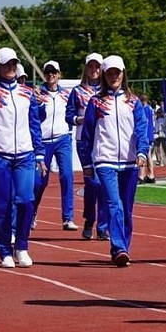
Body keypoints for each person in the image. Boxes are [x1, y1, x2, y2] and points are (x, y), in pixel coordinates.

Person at [0, 47, 45, 268]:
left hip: (25, 155)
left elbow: (34, 124)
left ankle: (22, 246)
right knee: (2, 205)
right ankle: (4, 250)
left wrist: (40, 152)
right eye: (7, 64)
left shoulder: (26, 93)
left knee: (26, 200)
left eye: (14, 63)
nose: (11, 67)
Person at [83, 55, 151, 266]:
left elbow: (142, 130)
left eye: (117, 72)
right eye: (110, 72)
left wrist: (141, 152)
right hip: (105, 161)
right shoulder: (96, 102)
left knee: (127, 209)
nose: (114, 76)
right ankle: (120, 247)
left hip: (130, 162)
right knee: (114, 205)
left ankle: (122, 248)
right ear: (104, 74)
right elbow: (87, 134)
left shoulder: (133, 102)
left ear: (123, 74)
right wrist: (87, 163)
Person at [66, 53, 106, 240]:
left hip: (106, 141)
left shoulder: (108, 91)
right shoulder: (78, 91)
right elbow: (69, 116)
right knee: (93, 183)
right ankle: (90, 219)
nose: (94, 70)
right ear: (86, 68)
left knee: (106, 183)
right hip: (84, 141)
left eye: (97, 67)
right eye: (91, 66)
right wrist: (80, 119)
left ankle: (103, 226)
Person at [34, 60, 77, 231]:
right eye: (47, 72)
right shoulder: (37, 93)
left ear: (59, 74)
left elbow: (72, 113)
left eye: (54, 72)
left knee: (67, 176)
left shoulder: (67, 94)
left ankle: (68, 217)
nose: (51, 75)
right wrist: (38, 104)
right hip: (43, 141)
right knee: (39, 182)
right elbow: (34, 117)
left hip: (62, 139)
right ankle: (32, 212)